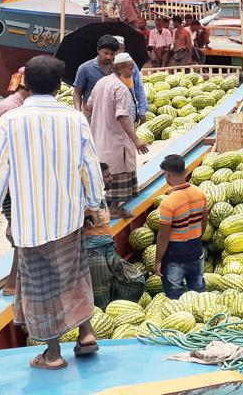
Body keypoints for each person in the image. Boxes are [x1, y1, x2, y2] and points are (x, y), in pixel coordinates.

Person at [0, 55, 105, 370]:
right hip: (68, 218)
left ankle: (52, 354)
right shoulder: (74, 119)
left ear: (26, 84)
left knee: (42, 288)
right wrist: (94, 203)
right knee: (75, 276)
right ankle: (86, 334)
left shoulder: (10, 120)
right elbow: (89, 165)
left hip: (31, 224)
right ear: (60, 87)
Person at [87, 53, 150, 219]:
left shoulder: (101, 82)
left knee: (107, 171)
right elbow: (122, 116)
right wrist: (136, 139)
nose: (132, 70)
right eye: (130, 67)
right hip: (117, 138)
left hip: (100, 136)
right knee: (118, 171)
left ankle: (107, 204)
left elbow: (89, 106)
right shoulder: (121, 88)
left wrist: (102, 115)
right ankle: (114, 208)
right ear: (121, 68)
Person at [0, 68, 32, 296]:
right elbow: (3, 153)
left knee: (19, 229)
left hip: (17, 178)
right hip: (14, 180)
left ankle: (16, 279)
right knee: (19, 230)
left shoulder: (14, 106)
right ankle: (13, 282)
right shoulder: (12, 109)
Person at [84, 162, 145, 308]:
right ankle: (105, 322)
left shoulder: (99, 198)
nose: (111, 178)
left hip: (108, 247)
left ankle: (116, 310)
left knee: (135, 280)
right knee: (101, 294)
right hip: (94, 252)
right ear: (97, 179)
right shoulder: (86, 202)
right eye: (107, 176)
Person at [154, 154, 208, 299]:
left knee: (175, 296)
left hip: (174, 256)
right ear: (185, 171)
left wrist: (158, 260)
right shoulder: (200, 194)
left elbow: (163, 236)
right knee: (198, 293)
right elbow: (204, 222)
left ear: (168, 174)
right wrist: (196, 237)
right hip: (195, 250)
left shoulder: (168, 203)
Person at [72, 35, 120, 116]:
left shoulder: (117, 68)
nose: (108, 57)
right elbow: (77, 93)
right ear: (98, 50)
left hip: (112, 114)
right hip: (92, 114)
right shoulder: (85, 68)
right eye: (105, 53)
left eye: (112, 54)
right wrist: (78, 113)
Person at [113, 36, 147, 124]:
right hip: (112, 112)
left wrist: (142, 110)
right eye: (116, 48)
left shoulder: (131, 64)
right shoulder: (107, 66)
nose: (119, 51)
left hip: (129, 110)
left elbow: (139, 88)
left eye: (121, 47)